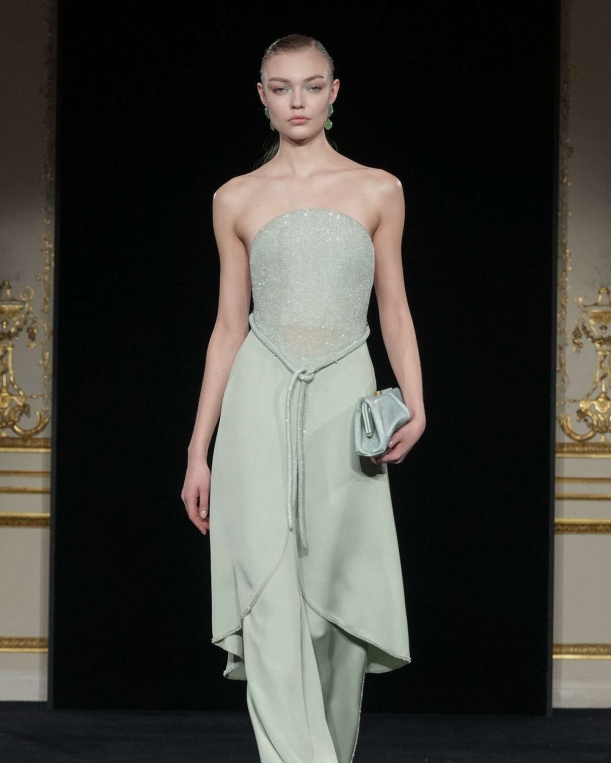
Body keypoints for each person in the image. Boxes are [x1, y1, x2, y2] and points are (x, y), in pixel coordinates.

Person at [181, 33, 426, 763]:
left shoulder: (378, 190)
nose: (297, 101)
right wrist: (197, 450)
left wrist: (415, 404)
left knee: (334, 601)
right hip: (257, 398)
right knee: (267, 591)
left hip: (344, 398)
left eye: (312, 86)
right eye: (282, 87)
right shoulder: (235, 198)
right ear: (262, 96)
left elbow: (394, 309)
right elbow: (228, 327)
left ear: (333, 92)